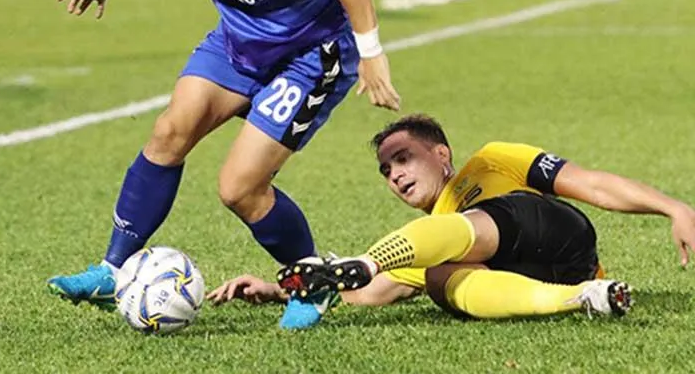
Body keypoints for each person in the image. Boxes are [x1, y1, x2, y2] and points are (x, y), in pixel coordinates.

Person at [47, 0, 400, 330]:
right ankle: (113, 270)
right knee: (169, 132)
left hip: (310, 50)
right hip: (240, 40)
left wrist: (371, 51)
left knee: (239, 188)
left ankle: (312, 281)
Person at [210, 114, 695, 327]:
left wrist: (674, 208)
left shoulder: (492, 160)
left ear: (441, 154)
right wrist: (280, 290)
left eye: (403, 158)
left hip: (554, 233)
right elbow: (366, 295)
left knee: (470, 229)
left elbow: (591, 184)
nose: (395, 175)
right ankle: (582, 299)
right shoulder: (426, 240)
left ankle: (366, 259)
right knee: (438, 277)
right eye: (386, 170)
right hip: (551, 280)